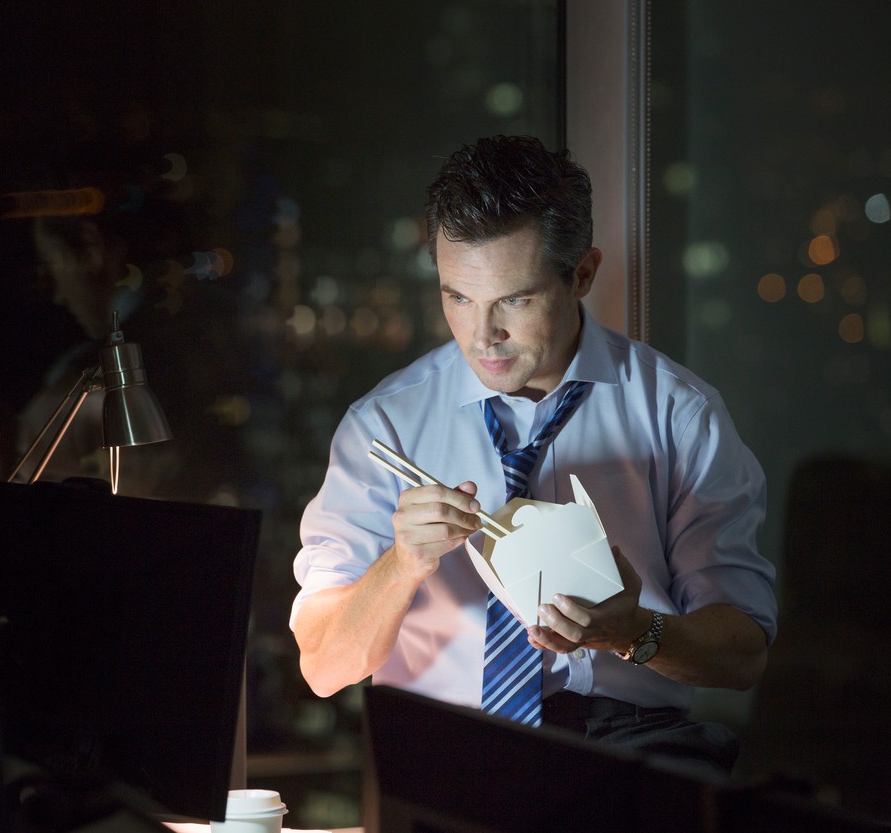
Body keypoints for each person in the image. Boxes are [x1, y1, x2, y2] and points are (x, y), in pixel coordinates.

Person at [290, 135, 777, 774]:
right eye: (457, 297)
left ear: (581, 274)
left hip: (621, 744)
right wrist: (401, 565)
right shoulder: (386, 424)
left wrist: (633, 632)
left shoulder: (676, 414)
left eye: (512, 300)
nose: (481, 335)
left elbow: (742, 657)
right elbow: (324, 667)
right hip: (440, 747)